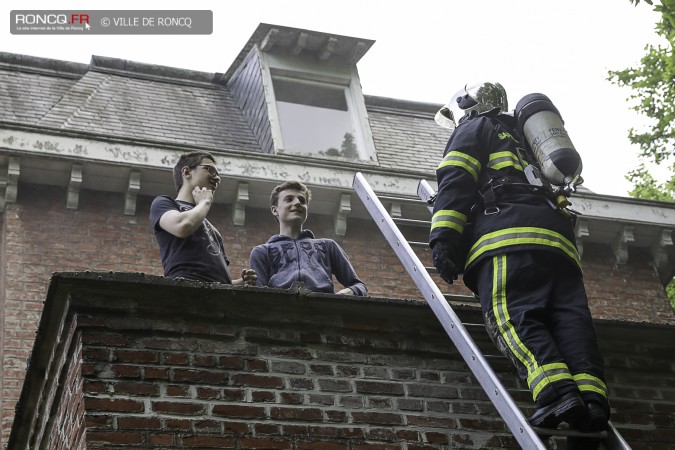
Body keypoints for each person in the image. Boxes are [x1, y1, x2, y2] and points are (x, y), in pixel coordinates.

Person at [428, 83, 610, 442]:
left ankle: (558, 395)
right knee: (569, 322)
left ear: (467, 105)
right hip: (559, 243)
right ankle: (593, 401)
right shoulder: (530, 142)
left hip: (507, 236)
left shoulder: (475, 127)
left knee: (512, 314)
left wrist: (443, 239)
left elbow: (456, 178)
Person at [150, 151, 256, 285]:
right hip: (185, 289)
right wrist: (205, 202)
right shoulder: (164, 203)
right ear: (187, 172)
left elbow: (218, 281)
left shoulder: (213, 231)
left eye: (218, 175)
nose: (217, 178)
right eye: (210, 170)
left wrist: (241, 282)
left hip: (217, 298)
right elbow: (182, 227)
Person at [249, 180, 367, 296]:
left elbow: (359, 286)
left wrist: (348, 292)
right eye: (289, 199)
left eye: (302, 200)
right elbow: (258, 296)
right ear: (275, 210)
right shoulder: (262, 252)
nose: (297, 203)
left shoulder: (328, 246)